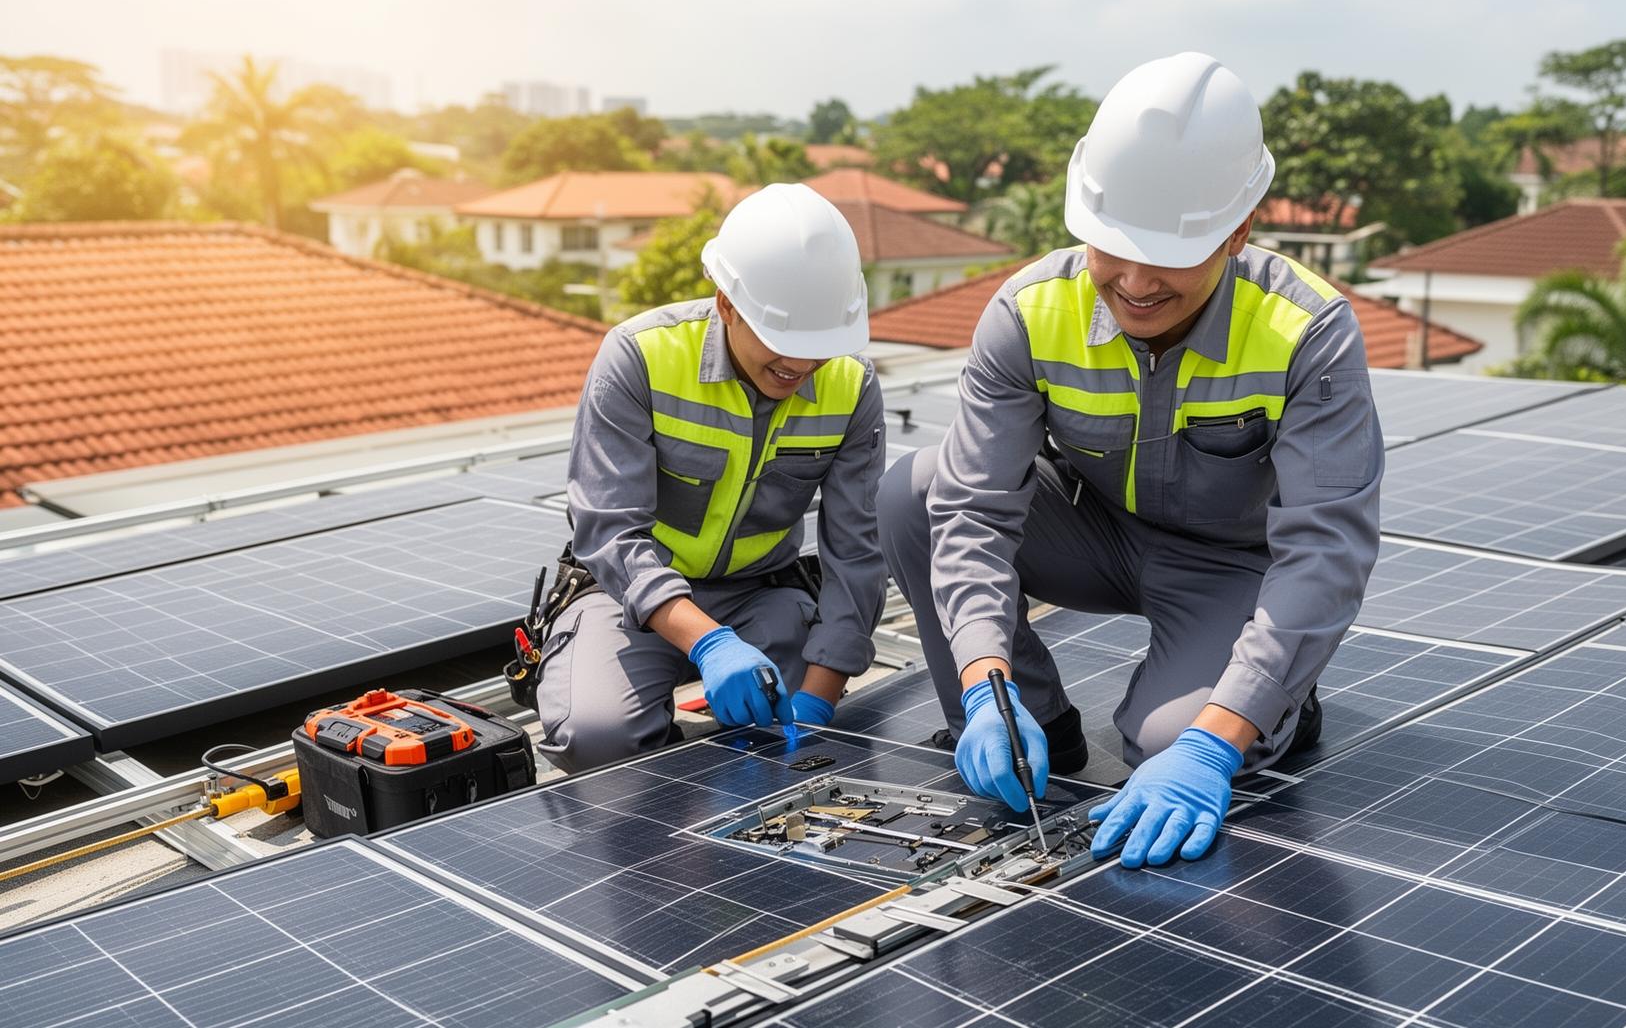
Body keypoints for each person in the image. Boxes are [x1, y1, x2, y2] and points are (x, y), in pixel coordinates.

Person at [878, 52, 1384, 867]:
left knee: (1165, 741)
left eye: (1170, 254)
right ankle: (1029, 725)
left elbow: (1326, 549)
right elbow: (972, 510)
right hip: (1090, 529)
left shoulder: (1306, 331)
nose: (1137, 282)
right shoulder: (1029, 312)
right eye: (1114, 247)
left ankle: (1275, 703)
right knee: (914, 490)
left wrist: (1218, 741)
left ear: (1238, 231)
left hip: (1229, 568)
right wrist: (982, 680)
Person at [535, 183, 887, 772]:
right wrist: (710, 642)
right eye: (780, 343)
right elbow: (608, 530)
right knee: (598, 738)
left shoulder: (853, 387)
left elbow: (858, 553)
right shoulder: (639, 357)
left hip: (761, 593)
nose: (799, 368)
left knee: (788, 728)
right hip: (626, 594)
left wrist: (817, 703)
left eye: (817, 349)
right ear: (726, 303)